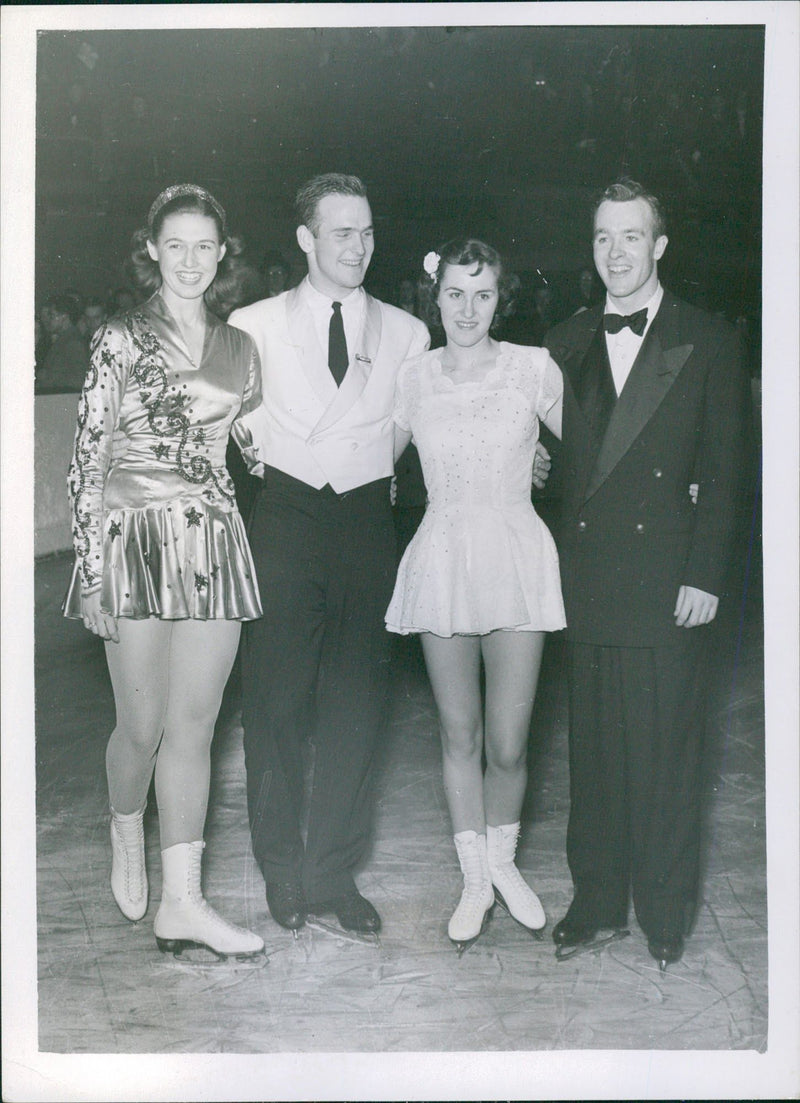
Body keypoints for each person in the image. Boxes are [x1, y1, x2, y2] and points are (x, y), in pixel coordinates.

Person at [543, 178, 752, 970]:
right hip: (589, 577)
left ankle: (664, 909)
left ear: (660, 246)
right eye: (603, 238)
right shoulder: (562, 340)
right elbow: (556, 457)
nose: (616, 253)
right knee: (594, 750)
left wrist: (705, 573)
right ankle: (596, 902)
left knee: (667, 750)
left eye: (632, 236)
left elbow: (727, 473)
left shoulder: (709, 340)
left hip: (669, 579)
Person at [63, 183, 265, 960]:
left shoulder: (242, 349)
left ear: (222, 254)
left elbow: (253, 443)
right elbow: (88, 455)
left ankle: (182, 901)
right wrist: (89, 569)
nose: (189, 260)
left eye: (203, 246)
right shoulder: (119, 336)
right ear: (152, 250)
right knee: (141, 729)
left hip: (213, 542)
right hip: (132, 540)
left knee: (196, 728)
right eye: (174, 244)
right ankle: (124, 823)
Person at [227, 174, 430, 937]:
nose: (359, 246)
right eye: (341, 232)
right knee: (275, 703)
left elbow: (409, 433)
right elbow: (234, 429)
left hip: (365, 525)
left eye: (367, 231)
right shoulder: (251, 323)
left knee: (357, 706)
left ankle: (333, 872)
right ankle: (282, 869)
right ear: (306, 239)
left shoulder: (407, 332)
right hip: (285, 518)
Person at [386, 240, 566, 952]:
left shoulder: (533, 367)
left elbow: (596, 447)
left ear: (502, 297)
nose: (467, 309)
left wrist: (548, 464)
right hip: (444, 558)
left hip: (517, 554)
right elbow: (370, 462)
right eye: (455, 294)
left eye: (482, 293)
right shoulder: (414, 378)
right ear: (436, 297)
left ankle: (503, 864)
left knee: (508, 739)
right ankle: (475, 881)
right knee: (458, 732)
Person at [36, 292, 88, 393]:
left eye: (52, 315)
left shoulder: (73, 343)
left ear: (64, 317)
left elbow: (79, 380)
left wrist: (47, 377)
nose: (48, 320)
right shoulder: (64, 340)